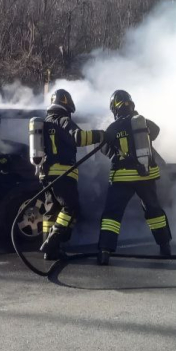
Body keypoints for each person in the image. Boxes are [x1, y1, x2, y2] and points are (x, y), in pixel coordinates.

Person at [96, 90, 171, 266]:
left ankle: (105, 251)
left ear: (114, 108)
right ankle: (165, 246)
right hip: (146, 176)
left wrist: (117, 152)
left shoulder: (113, 128)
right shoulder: (143, 123)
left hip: (122, 178)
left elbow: (104, 148)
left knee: (112, 214)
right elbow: (156, 131)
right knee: (154, 211)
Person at [39, 89, 105, 260]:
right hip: (62, 172)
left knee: (51, 211)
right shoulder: (63, 120)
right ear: (66, 102)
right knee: (70, 208)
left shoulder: (45, 122)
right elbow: (79, 137)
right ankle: (52, 242)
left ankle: (50, 251)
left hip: (45, 174)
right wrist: (100, 135)